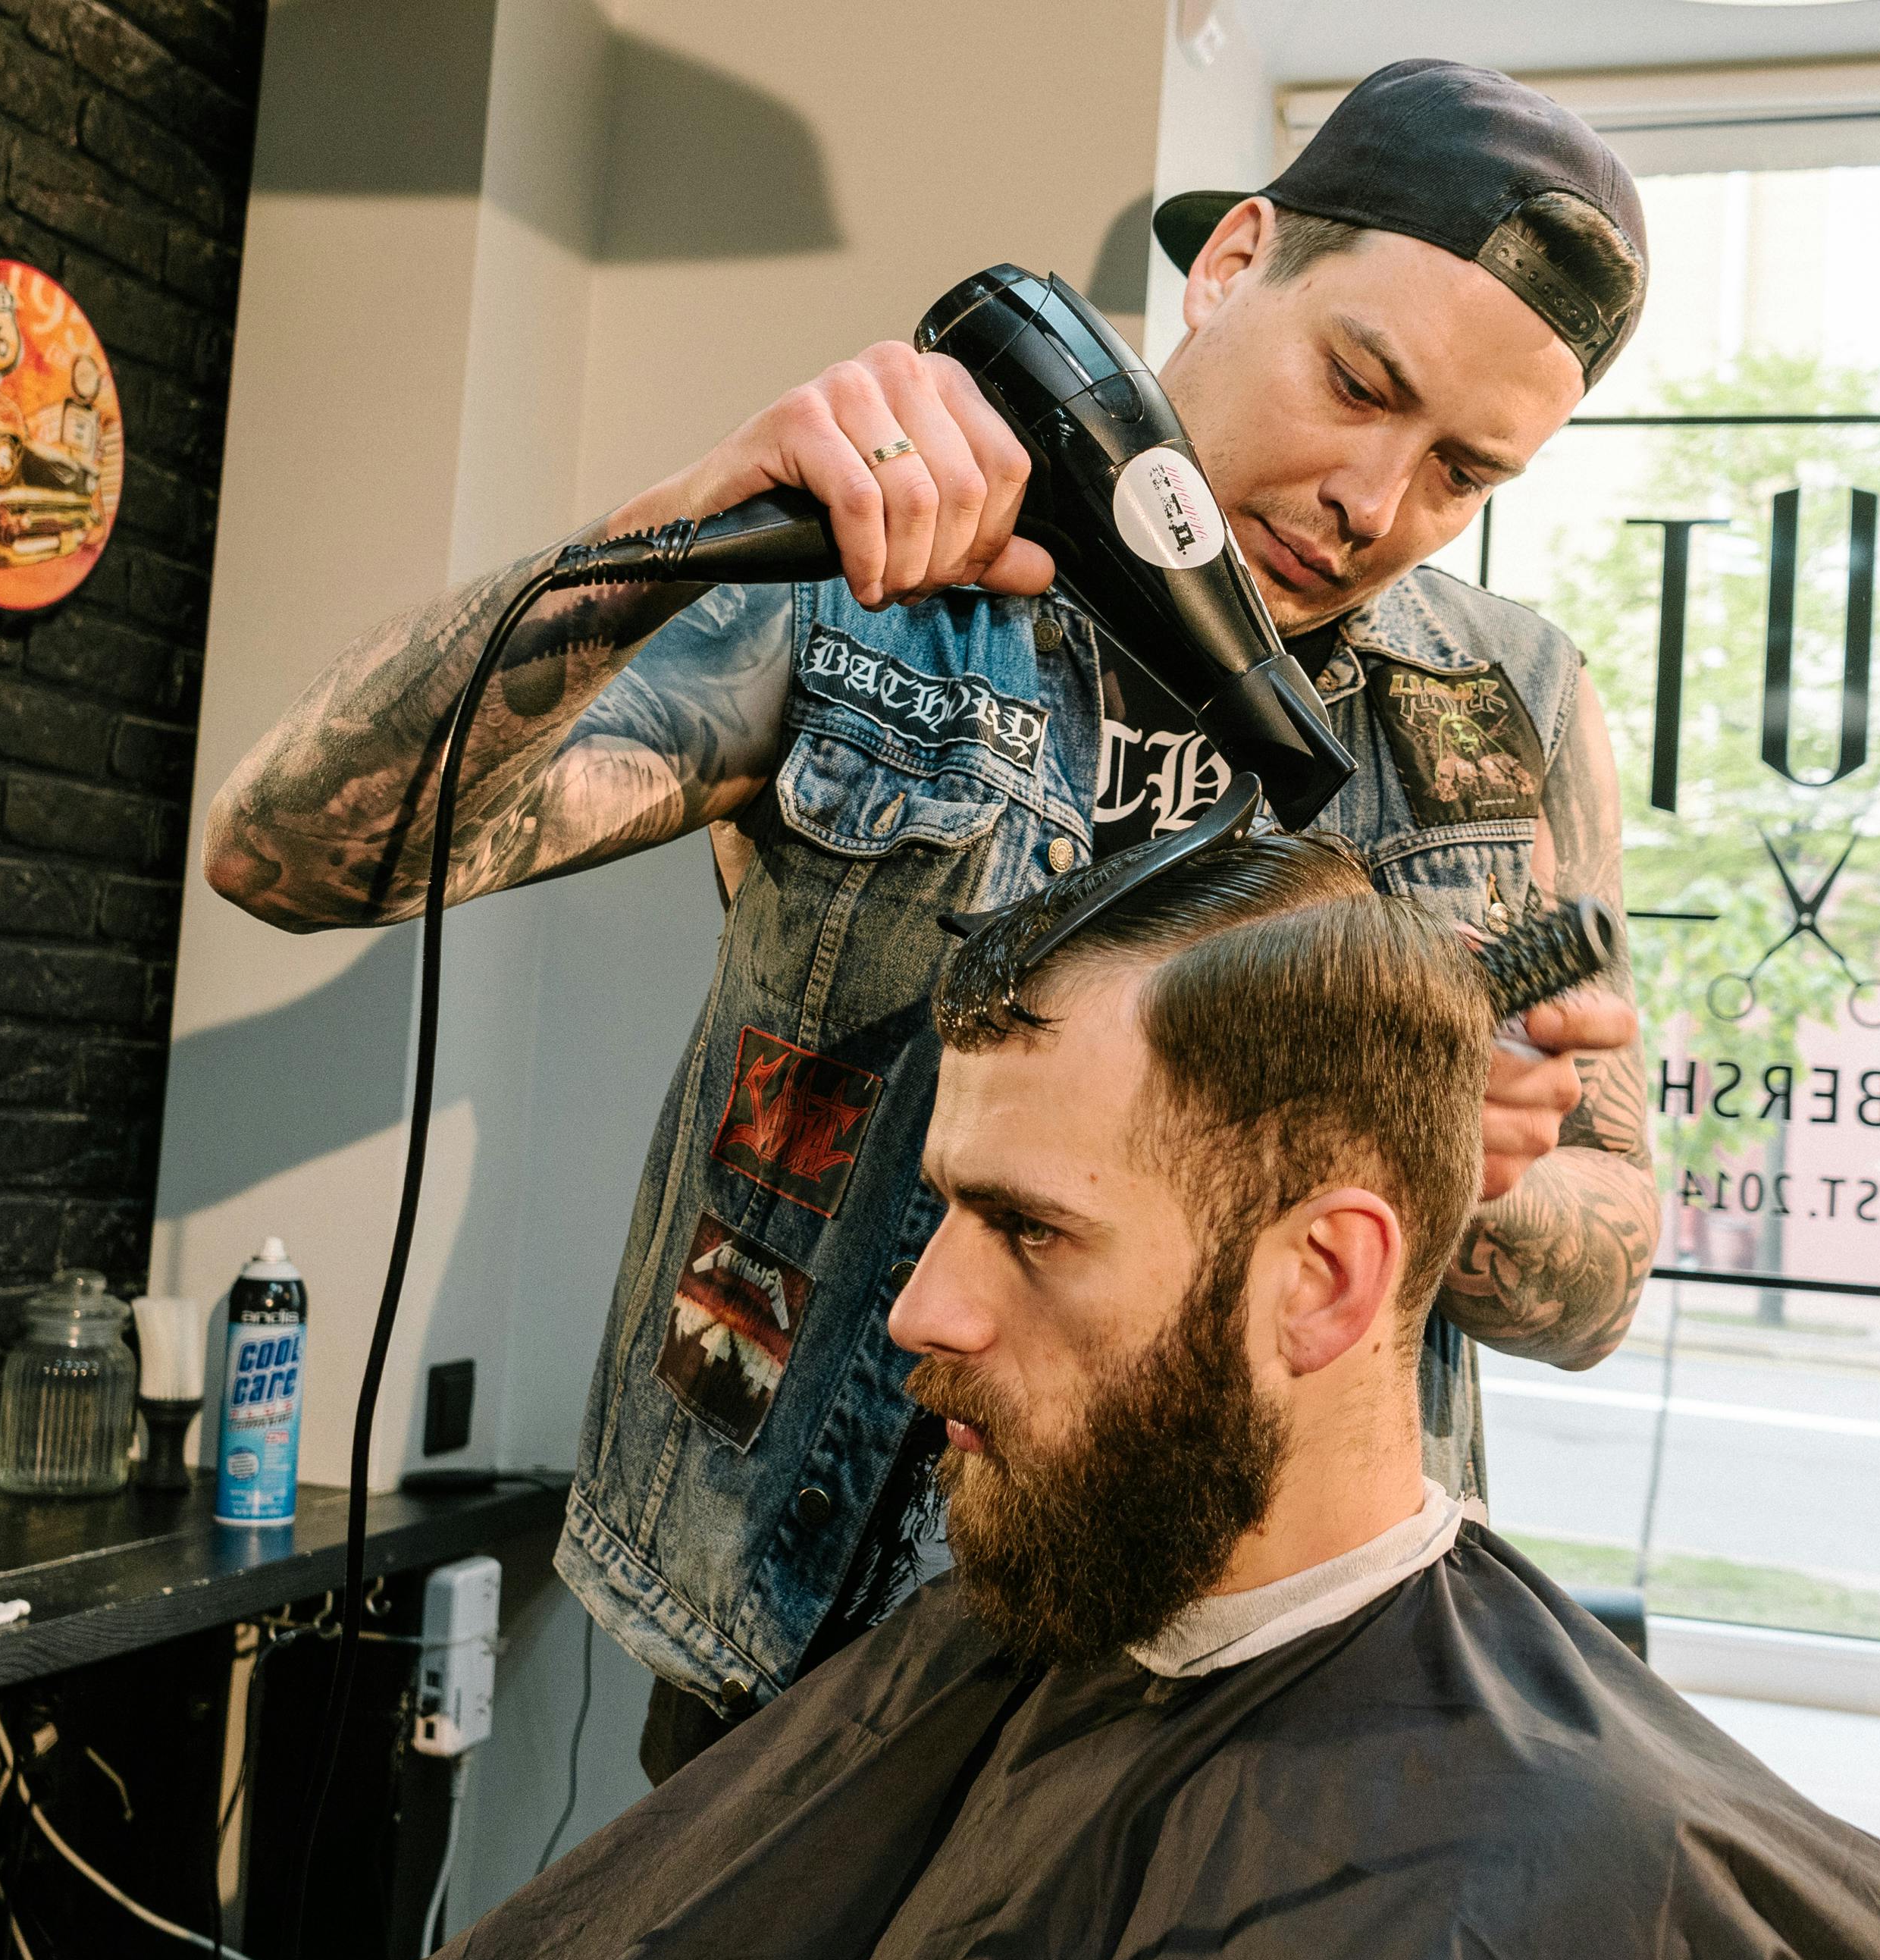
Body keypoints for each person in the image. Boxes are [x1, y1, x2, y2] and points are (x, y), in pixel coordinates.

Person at [205, 60, 1660, 1777]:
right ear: (1233, 258)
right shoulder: (878, 581)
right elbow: (292, 851)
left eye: (1459, 472)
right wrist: (676, 527)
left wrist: (1456, 1162)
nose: (1373, 502)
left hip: (1259, 1711)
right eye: (1358, 384)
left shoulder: (1508, 709)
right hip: (807, 1648)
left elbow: (1596, 1275)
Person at [343, 835, 1880, 1960]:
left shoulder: (1528, 1883)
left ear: (1323, 1282)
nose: (918, 1307)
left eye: (1030, 1227)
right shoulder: (1016, 1641)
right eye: (947, 1210)